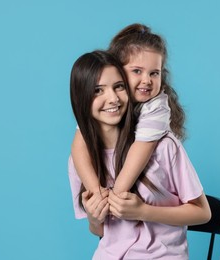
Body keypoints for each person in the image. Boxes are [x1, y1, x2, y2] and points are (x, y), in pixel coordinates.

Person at [68, 50, 211, 259]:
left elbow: (203, 212)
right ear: (81, 99)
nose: (113, 98)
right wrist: (94, 217)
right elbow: (100, 231)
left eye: (119, 87)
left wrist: (143, 211)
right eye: (97, 90)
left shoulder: (163, 146)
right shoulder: (81, 161)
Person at [71, 23, 186, 195]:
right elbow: (80, 143)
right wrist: (96, 192)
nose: (147, 80)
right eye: (137, 71)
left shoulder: (157, 107)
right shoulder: (110, 103)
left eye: (154, 73)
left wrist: (114, 197)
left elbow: (139, 152)